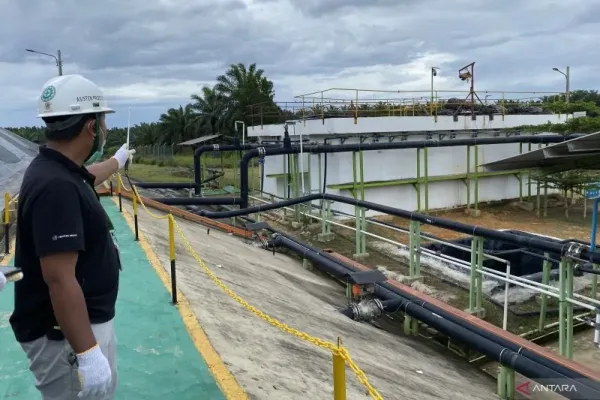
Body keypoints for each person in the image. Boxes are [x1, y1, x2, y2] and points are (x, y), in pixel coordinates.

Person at [9, 74, 135, 399]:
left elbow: (87, 178)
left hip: (78, 328)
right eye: (103, 122)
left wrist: (116, 161)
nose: (105, 129)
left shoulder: (58, 170)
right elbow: (59, 279)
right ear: (91, 126)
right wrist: (88, 353)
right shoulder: (57, 187)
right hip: (66, 337)